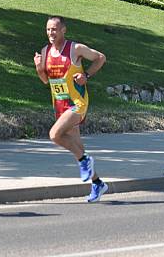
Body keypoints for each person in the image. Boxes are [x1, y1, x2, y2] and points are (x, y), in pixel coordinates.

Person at [34, 16, 108, 202]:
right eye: (48, 29)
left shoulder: (75, 49)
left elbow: (100, 58)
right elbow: (45, 80)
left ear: (63, 30)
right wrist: (38, 68)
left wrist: (86, 75)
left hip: (77, 103)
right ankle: (97, 183)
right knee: (78, 147)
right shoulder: (45, 51)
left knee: (54, 135)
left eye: (55, 29)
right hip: (59, 104)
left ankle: (85, 162)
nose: (51, 33)